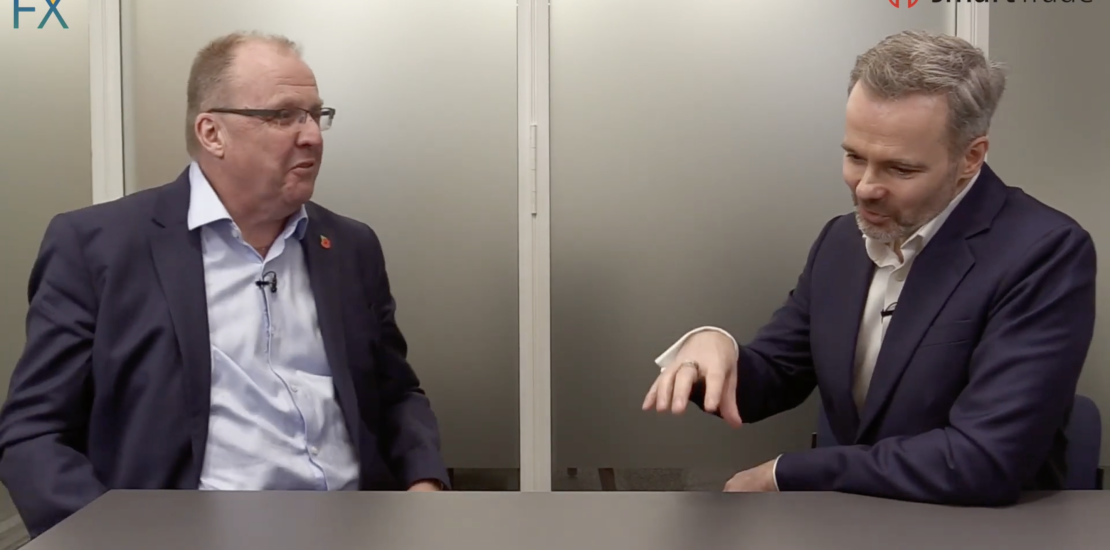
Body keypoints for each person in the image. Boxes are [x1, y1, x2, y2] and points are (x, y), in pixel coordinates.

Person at [0, 31, 449, 538]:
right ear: (212, 133)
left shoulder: (349, 246)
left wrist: (424, 485)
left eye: (315, 114)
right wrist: (111, 539)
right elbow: (33, 433)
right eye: (284, 116)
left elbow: (396, 393)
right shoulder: (99, 246)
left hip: (356, 529)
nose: (312, 136)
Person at [643, 30, 1096, 506]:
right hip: (853, 517)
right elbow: (774, 378)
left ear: (971, 157)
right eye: (854, 157)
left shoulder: (1044, 252)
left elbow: (983, 460)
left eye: (900, 169)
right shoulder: (841, 241)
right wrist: (713, 349)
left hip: (978, 527)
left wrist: (785, 474)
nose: (865, 188)